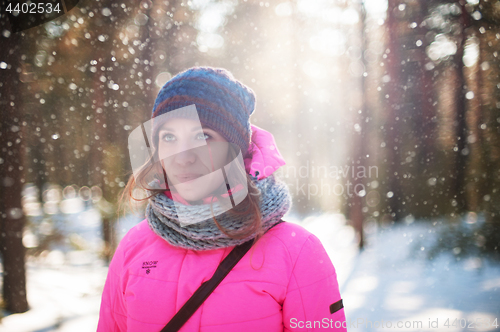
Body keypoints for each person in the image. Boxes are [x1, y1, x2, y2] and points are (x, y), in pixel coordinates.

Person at [97, 67, 347, 331]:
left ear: (235, 150)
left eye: (203, 136)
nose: (183, 156)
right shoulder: (134, 247)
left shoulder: (296, 252)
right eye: (169, 137)